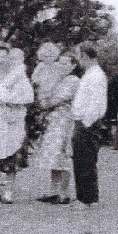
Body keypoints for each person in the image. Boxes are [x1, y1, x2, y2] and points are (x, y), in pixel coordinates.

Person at [0, 43, 34, 204]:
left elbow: (28, 97)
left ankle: (8, 191)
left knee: (10, 153)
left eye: (5, 56)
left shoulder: (19, 75)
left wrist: (10, 100)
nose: (1, 60)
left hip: (11, 118)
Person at [33, 53, 81, 204]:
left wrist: (46, 102)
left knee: (64, 154)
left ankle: (64, 192)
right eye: (60, 63)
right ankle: (54, 190)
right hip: (54, 120)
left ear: (73, 65)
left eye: (66, 64)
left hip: (66, 119)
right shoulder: (58, 79)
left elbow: (57, 99)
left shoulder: (73, 80)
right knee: (54, 156)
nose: (62, 67)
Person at [71, 42, 108, 207]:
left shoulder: (96, 76)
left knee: (85, 160)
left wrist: (85, 124)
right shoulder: (90, 74)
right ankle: (86, 197)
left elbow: (96, 104)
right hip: (83, 122)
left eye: (79, 56)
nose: (78, 60)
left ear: (84, 56)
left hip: (88, 124)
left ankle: (87, 199)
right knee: (81, 160)